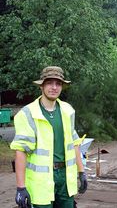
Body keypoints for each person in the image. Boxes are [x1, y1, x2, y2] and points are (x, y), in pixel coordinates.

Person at [10, 66, 87, 208]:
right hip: (41, 182)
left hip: (65, 180)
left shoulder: (67, 110)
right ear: (41, 86)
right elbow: (21, 151)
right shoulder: (28, 113)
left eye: (58, 83)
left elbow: (74, 143)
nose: (54, 87)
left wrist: (81, 171)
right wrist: (21, 187)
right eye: (49, 83)